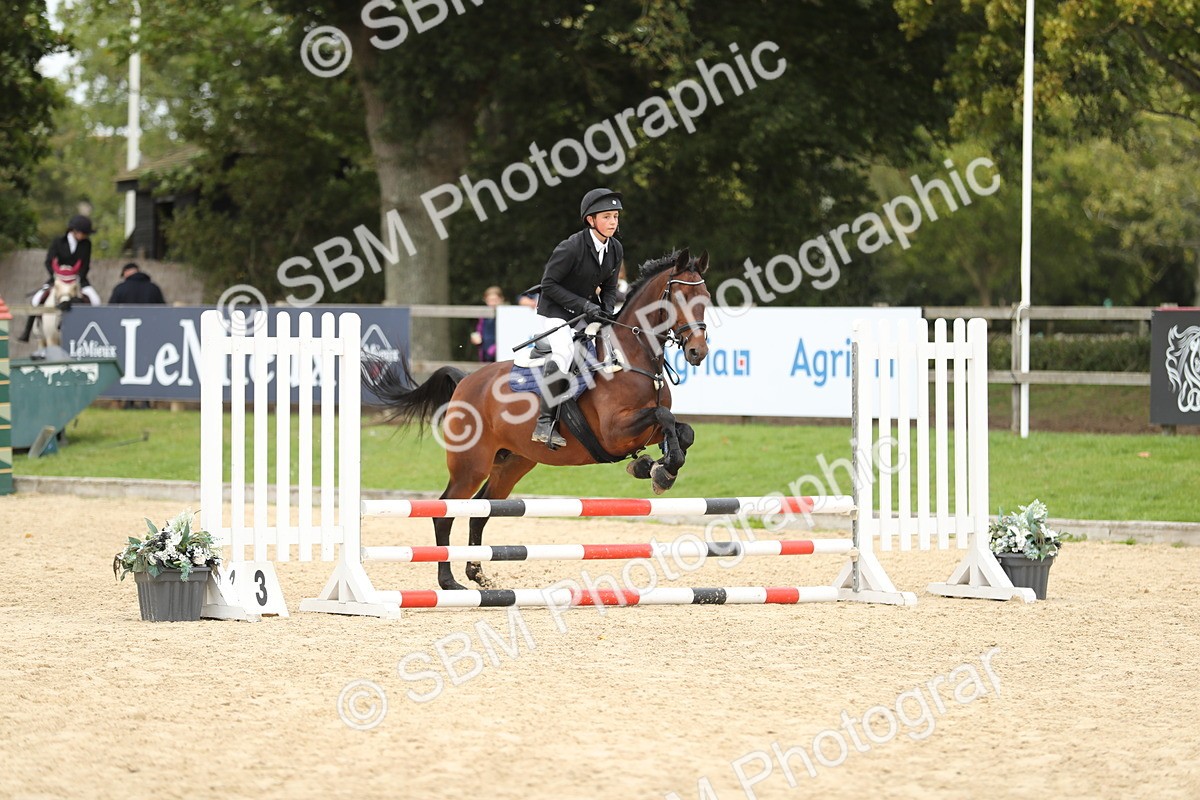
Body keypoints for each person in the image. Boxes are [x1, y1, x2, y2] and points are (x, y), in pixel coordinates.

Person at [531, 187, 624, 447]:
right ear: (590, 220)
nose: (613, 222)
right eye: (606, 217)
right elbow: (548, 285)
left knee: (616, 349)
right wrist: (584, 305)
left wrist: (606, 311)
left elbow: (609, 287)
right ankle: (544, 423)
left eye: (615, 217)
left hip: (587, 311)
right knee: (563, 353)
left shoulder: (615, 248)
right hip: (556, 312)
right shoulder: (571, 247)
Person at [17, 214, 102, 342]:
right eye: (83, 233)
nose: (85, 236)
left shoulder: (86, 244)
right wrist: (57, 277)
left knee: (96, 301)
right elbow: (48, 261)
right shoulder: (58, 242)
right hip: (58, 279)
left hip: (78, 280)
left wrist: (78, 278)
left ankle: (96, 331)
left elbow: (85, 265)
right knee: (36, 299)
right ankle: (27, 332)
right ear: (74, 231)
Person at [469, 285, 504, 362]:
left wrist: (493, 350)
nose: (492, 303)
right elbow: (479, 331)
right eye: (490, 300)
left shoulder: (506, 316)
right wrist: (476, 339)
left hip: (500, 355)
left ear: (501, 299)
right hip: (485, 355)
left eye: (495, 300)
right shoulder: (483, 317)